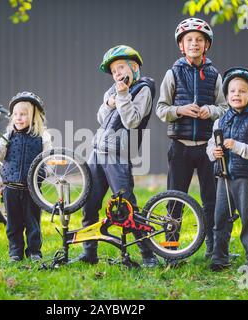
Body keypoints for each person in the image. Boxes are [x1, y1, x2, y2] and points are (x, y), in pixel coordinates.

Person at [74, 44, 158, 267]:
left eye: (121, 67)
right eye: (113, 71)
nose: (117, 74)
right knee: (89, 203)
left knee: (126, 207)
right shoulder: (113, 90)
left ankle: (148, 255)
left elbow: (132, 120)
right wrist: (108, 101)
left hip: (119, 155)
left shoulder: (144, 89)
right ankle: (89, 252)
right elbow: (101, 117)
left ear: (134, 66)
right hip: (97, 152)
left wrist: (121, 96)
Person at [155, 18, 228, 263]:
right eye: (189, 40)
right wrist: (181, 110)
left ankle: (213, 248)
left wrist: (211, 111)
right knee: (175, 199)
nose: (194, 44)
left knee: (211, 200)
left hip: (208, 149)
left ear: (206, 45)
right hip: (180, 148)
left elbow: (225, 107)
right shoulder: (173, 73)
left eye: (199, 40)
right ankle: (171, 251)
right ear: (181, 46)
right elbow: (161, 109)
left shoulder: (214, 74)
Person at [207, 67, 248, 273]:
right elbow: (210, 144)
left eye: (242, 91)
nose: (236, 94)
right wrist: (213, 152)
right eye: (232, 91)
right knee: (220, 219)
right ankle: (219, 258)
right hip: (223, 176)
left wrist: (238, 146)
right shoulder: (220, 120)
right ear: (226, 95)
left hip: (245, 177)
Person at [0, 91, 51, 263]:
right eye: (15, 114)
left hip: (32, 189)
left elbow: (48, 158)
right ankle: (15, 251)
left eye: (23, 114)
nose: (18, 118)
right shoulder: (8, 136)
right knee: (13, 224)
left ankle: (34, 251)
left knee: (33, 223)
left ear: (33, 116)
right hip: (11, 187)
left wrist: (46, 171)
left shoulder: (42, 137)